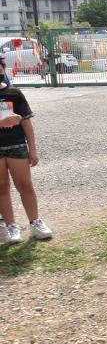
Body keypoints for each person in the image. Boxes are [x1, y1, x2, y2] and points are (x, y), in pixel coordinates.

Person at [0, 56, 52, 244]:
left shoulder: (15, 93)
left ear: (3, 69)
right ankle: (11, 226)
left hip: (17, 146)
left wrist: (33, 149)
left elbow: (27, 124)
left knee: (25, 186)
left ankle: (35, 222)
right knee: (2, 188)